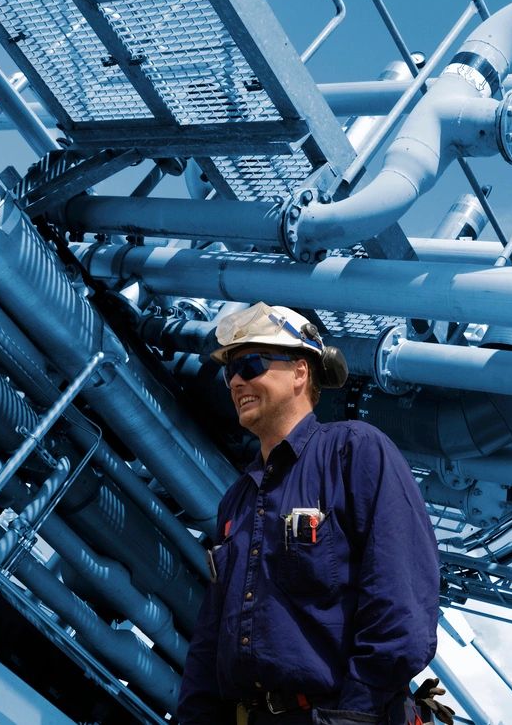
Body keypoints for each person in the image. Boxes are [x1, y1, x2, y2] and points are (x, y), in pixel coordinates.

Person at [178, 303, 447, 725]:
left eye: (251, 364)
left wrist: (353, 715)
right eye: (230, 371)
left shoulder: (355, 451)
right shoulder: (237, 499)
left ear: (301, 372)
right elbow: (211, 635)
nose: (235, 381)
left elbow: (400, 605)